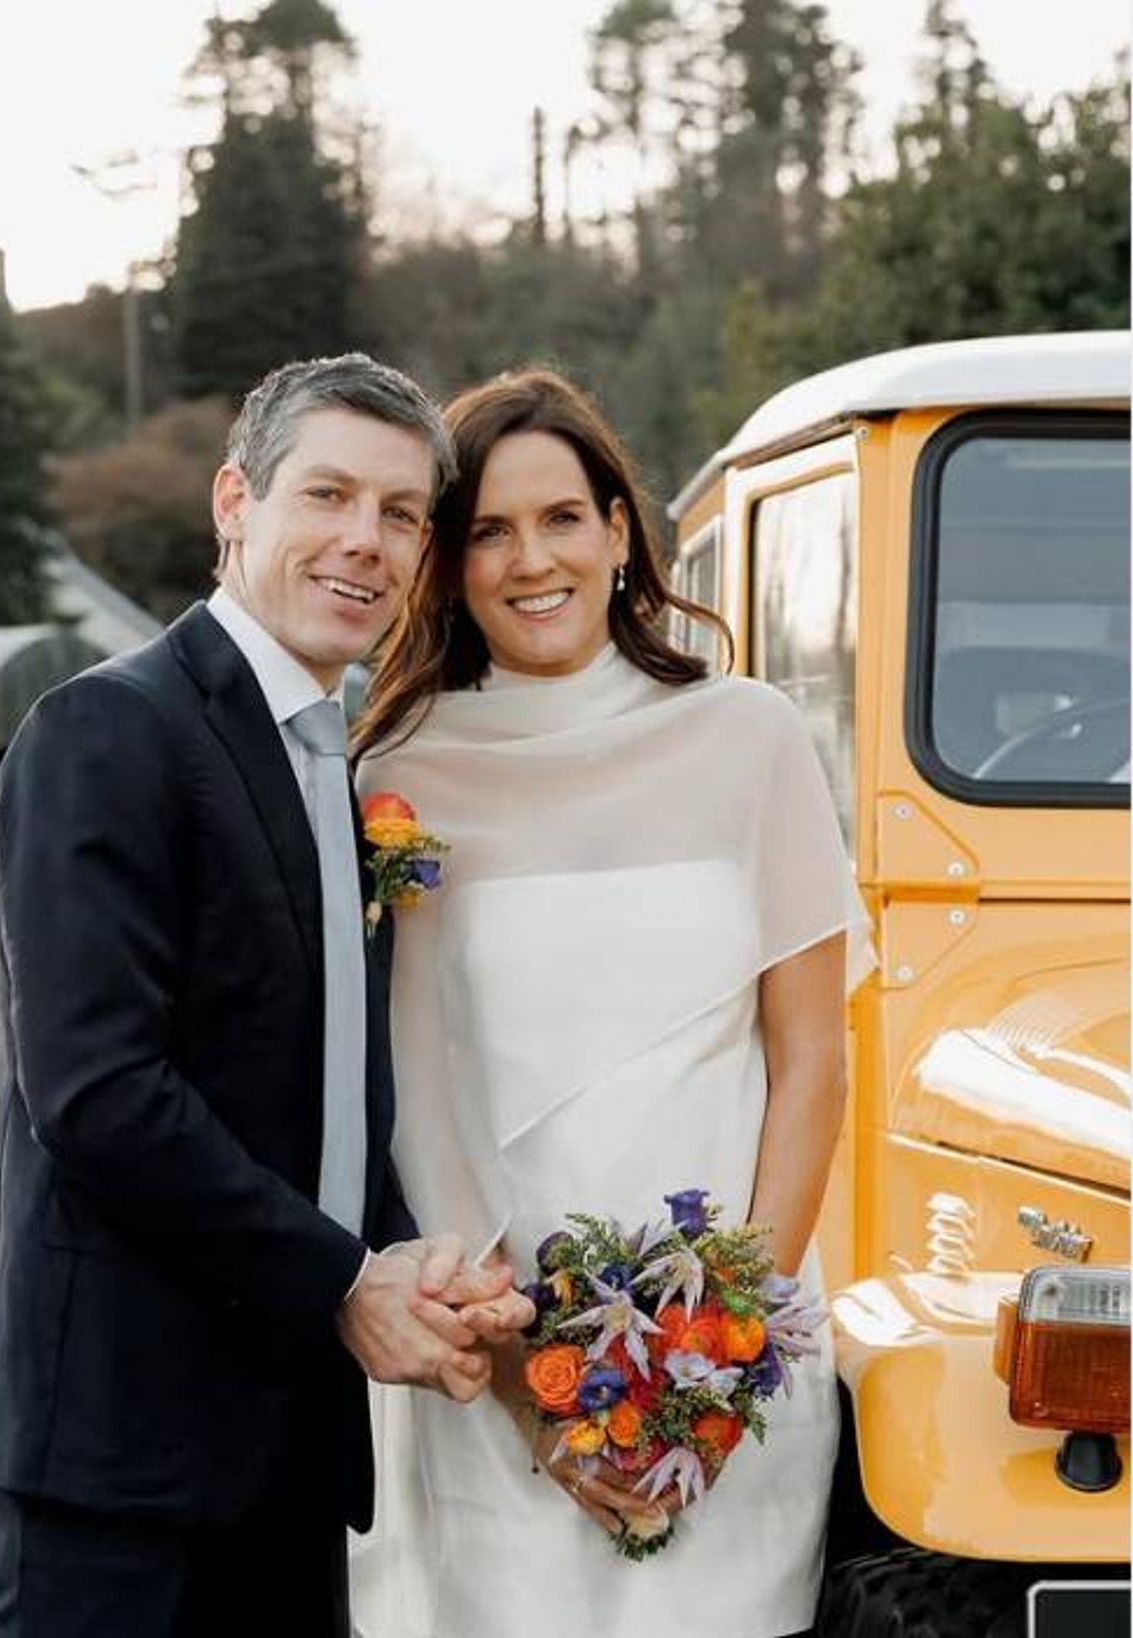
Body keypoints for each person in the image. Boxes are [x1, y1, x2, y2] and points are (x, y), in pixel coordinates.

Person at [0, 353, 531, 1638]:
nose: (362, 543)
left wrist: (406, 1255)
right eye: (326, 495)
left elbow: (307, 1081)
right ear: (232, 504)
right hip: (112, 1446)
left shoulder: (336, 761)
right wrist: (342, 1282)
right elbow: (100, 1096)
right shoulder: (107, 732)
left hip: (285, 1449)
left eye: (398, 514)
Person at [350, 367, 875, 1638]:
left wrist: (723, 1353)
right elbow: (416, 1097)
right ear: (450, 564)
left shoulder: (750, 738)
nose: (532, 559)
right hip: (501, 1363)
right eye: (488, 530)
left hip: (724, 1373)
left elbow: (811, 1064)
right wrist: (542, 1388)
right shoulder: (398, 772)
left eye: (562, 518)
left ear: (620, 532)